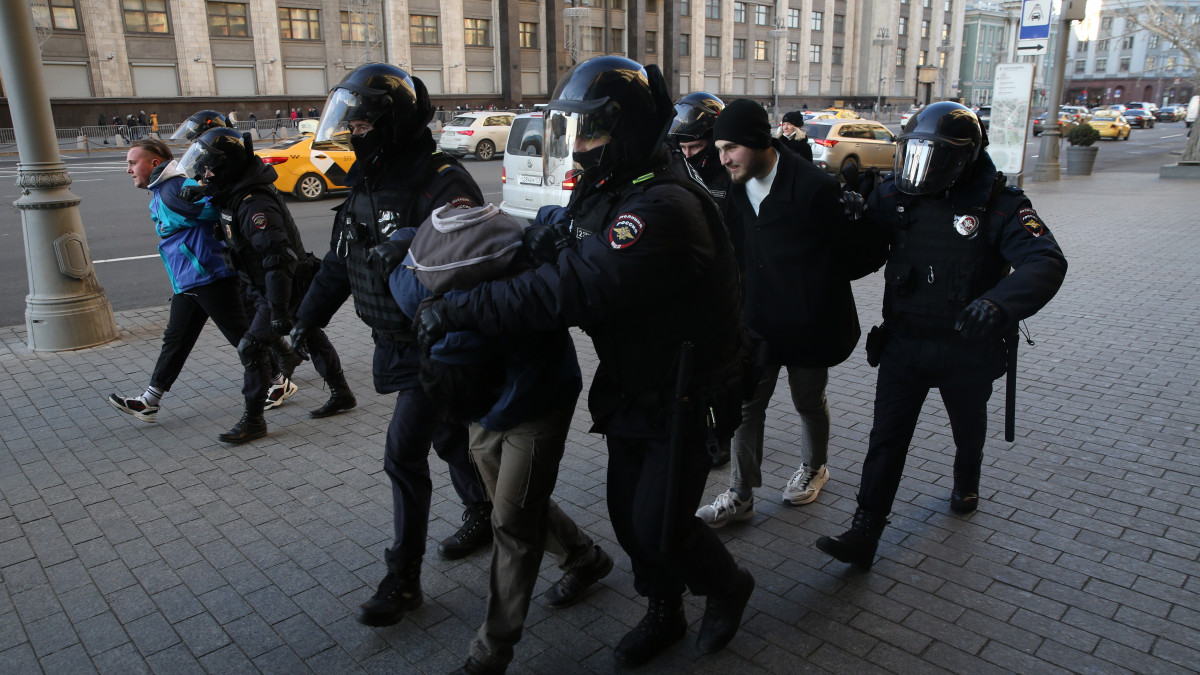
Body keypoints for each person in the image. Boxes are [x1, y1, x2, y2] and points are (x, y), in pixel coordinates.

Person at [416, 55, 755, 669]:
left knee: (660, 522)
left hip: (689, 392)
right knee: (629, 516)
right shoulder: (616, 188)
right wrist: (534, 229)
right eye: (576, 131)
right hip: (637, 383)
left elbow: (567, 288)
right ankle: (664, 609)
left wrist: (462, 307)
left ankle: (727, 585)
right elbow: (567, 231)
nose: (581, 146)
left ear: (625, 130)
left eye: (592, 131)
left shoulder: (662, 209)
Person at [816, 102, 1068, 569]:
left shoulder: (1000, 205)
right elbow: (857, 262)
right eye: (913, 156)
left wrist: (999, 302)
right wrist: (847, 223)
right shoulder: (895, 197)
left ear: (963, 157)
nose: (920, 170)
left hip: (967, 349)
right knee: (886, 439)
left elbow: (1045, 261)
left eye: (932, 159)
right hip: (905, 344)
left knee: (967, 427)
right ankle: (865, 531)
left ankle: (966, 476)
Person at [291, 63, 492, 627]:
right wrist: (303, 324)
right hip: (393, 340)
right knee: (452, 437)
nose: (352, 132)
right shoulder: (367, 177)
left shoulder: (441, 179)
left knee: (403, 452)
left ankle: (402, 577)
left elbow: (468, 268)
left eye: (360, 122)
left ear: (391, 122)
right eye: (348, 122)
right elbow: (340, 260)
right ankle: (492, 511)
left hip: (438, 342)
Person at [388, 203, 613, 674]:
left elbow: (562, 215)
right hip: (481, 404)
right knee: (514, 502)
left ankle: (491, 652)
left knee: (511, 525)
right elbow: (409, 249)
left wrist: (549, 232)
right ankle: (584, 557)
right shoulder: (414, 286)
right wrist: (401, 235)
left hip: (538, 400)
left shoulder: (522, 271)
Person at [694, 99, 866, 528]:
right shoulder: (732, 187)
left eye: (731, 147)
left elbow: (849, 259)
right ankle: (740, 494)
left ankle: (814, 467)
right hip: (756, 322)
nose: (724, 159)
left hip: (809, 322)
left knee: (808, 400)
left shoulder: (812, 187)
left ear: (757, 141)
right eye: (718, 149)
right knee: (747, 408)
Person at [177, 127, 355, 442]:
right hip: (268, 284)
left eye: (209, 167)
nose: (205, 172)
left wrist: (276, 309)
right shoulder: (236, 189)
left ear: (227, 166)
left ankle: (254, 420)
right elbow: (228, 195)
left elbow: (277, 258)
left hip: (283, 284)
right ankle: (341, 393)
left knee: (252, 346)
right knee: (308, 333)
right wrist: (204, 190)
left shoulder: (255, 205)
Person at [107, 138, 269, 428]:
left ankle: (278, 381)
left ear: (154, 163)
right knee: (176, 341)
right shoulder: (163, 188)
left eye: (133, 163)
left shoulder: (171, 189)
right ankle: (149, 400)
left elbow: (208, 211)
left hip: (208, 276)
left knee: (241, 337)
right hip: (189, 280)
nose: (129, 170)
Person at [667, 91, 730, 209]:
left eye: (695, 147)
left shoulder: (732, 176)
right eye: (683, 148)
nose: (687, 154)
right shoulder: (674, 170)